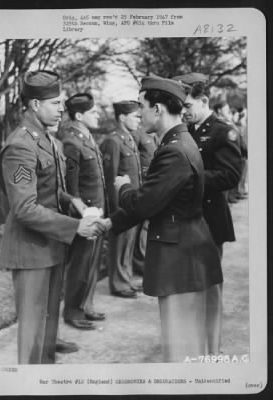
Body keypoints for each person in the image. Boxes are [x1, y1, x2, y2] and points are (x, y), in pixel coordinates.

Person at [102, 76, 223, 362]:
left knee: (182, 355)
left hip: (181, 260)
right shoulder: (180, 141)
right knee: (187, 350)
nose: (139, 113)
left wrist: (123, 189)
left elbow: (145, 204)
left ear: (157, 109)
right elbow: (159, 201)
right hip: (188, 256)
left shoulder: (174, 150)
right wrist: (111, 224)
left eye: (142, 106)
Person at [0, 70, 103, 364]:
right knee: (32, 337)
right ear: (34, 105)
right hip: (31, 251)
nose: (60, 109)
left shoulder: (48, 140)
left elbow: (52, 191)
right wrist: (75, 226)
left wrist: (75, 203)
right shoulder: (21, 145)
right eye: (55, 103)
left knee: (48, 329)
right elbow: (25, 207)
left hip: (51, 245)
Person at [173, 72, 242, 354]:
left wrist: (191, 178)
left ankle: (212, 350)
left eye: (187, 105)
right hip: (187, 221)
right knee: (189, 286)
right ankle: (194, 344)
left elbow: (230, 175)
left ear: (203, 101)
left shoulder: (221, 131)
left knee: (210, 289)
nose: (184, 111)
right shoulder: (187, 131)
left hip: (210, 221)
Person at [60, 93, 107, 330]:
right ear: (79, 115)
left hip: (96, 211)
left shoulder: (87, 138)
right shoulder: (71, 142)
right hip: (84, 214)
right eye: (93, 112)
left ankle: (85, 305)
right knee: (80, 263)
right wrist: (85, 214)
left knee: (92, 262)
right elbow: (72, 188)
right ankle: (73, 311)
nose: (97, 115)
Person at [100, 101, 142, 298]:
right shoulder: (113, 141)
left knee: (129, 244)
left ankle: (126, 279)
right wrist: (116, 209)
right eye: (135, 116)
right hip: (121, 205)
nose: (139, 120)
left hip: (131, 201)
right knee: (120, 244)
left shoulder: (130, 139)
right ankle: (118, 283)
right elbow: (110, 178)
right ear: (122, 117)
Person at [131, 128, 158, 276]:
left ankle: (144, 260)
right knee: (140, 228)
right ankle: (139, 262)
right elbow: (133, 160)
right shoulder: (137, 134)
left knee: (147, 226)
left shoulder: (156, 135)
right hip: (141, 185)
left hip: (152, 185)